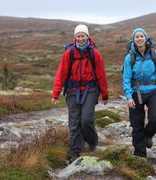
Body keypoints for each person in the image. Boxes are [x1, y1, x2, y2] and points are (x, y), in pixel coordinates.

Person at [52, 24, 108, 161]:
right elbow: (61, 74)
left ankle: (92, 141)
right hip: (73, 90)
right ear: (75, 37)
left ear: (87, 36)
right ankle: (75, 152)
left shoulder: (94, 54)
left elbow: (101, 75)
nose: (81, 38)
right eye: (78, 36)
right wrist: (56, 93)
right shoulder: (69, 54)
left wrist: (104, 94)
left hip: (91, 90)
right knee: (74, 122)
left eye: (83, 35)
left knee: (86, 119)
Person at [122, 27, 156, 157]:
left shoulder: (154, 54)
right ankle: (140, 156)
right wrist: (128, 97)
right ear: (133, 40)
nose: (139, 38)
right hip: (135, 93)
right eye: (136, 37)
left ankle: (148, 135)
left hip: (153, 91)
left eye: (141, 36)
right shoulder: (129, 57)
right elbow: (126, 78)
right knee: (137, 125)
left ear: (146, 37)